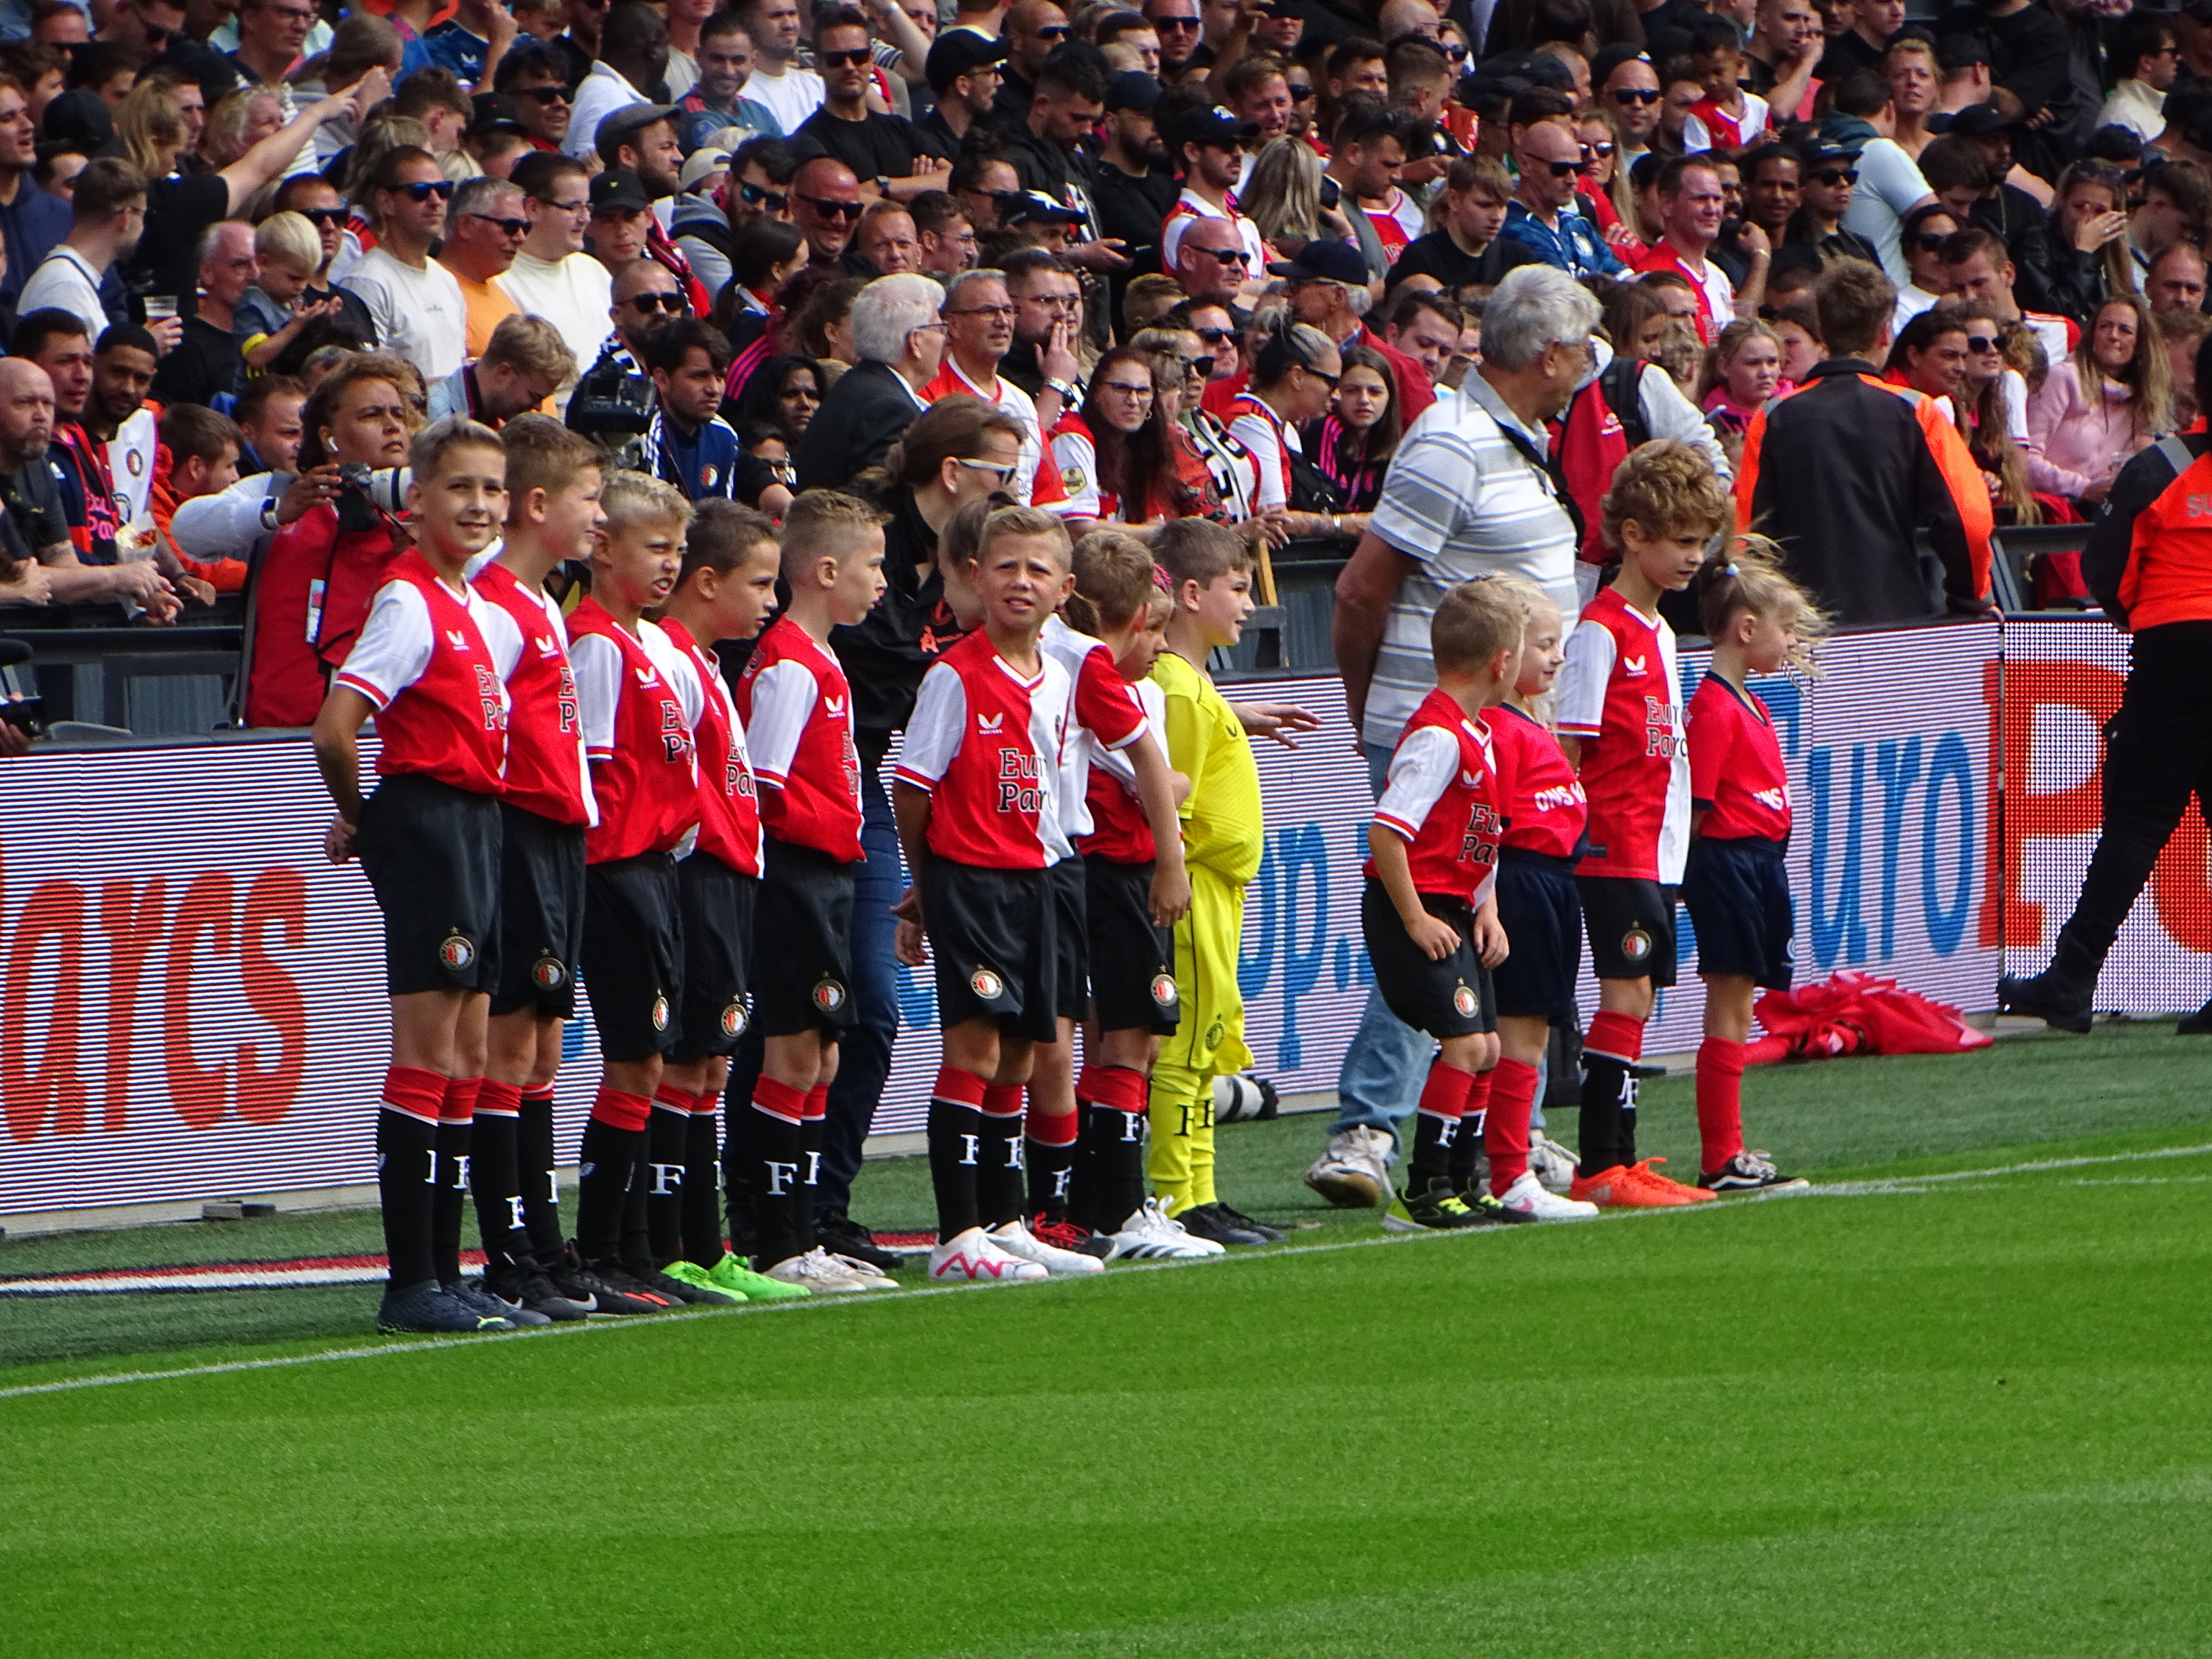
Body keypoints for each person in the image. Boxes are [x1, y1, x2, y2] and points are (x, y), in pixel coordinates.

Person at [1310, 266, 1593, 1207]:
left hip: (1504, 738)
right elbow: (1361, 587)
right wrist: (1373, 714)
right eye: (1581, 349)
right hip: (1435, 727)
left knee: (1487, 937)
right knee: (1429, 929)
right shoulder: (1451, 441)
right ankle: (1367, 1130)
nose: (1590, 366)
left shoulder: (1518, 439)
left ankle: (1503, 1135)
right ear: (1547, 355)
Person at [309, 414, 525, 1335]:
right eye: (460, 488)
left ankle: (450, 1270)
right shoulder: (406, 601)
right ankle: (413, 1280)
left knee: (470, 1054)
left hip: (476, 822)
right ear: (417, 503)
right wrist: (363, 817)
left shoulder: (475, 607)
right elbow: (336, 724)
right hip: (430, 822)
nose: (478, 505)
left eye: (491, 489)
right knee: (429, 1052)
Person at [892, 503, 1090, 1281]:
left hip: (1036, 880)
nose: (1021, 581)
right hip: (973, 882)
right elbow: (914, 788)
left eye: (1039, 569)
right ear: (975, 576)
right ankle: (956, 1234)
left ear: (1063, 589)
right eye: (1005, 566)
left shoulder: (1059, 678)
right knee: (975, 1046)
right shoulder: (955, 675)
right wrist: (927, 879)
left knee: (1020, 1051)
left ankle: (1006, 1220)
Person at [2001, 335, 2212, 1033]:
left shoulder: (2162, 467)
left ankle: (2072, 977)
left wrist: (2146, 620)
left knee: (2136, 819)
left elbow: (2106, 572)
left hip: (2176, 646)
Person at [561, 469, 728, 1310]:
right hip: (616, 869)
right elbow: (586, 768)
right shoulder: (592, 643)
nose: (670, 566)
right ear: (603, 547)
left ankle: (628, 1249)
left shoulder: (642, 644)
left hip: (655, 866)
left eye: (677, 550)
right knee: (634, 1058)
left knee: (650, 1060)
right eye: (655, 548)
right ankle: (602, 1249)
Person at [643, 501, 808, 1304]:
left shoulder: (702, 659)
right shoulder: (670, 655)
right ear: (706, 583)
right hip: (696, 874)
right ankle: (668, 1242)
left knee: (710, 1063)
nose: (771, 601)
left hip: (731, 874)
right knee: (684, 1061)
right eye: (760, 583)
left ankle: (705, 1247)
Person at [1553, 441, 1724, 1209]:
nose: (1694, 557)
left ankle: (1620, 1160)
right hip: (1611, 843)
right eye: (1681, 541)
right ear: (1632, 537)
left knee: (1641, 999)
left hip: (1655, 846)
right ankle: (1603, 1165)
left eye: (1700, 541)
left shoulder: (1656, 631)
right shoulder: (1603, 630)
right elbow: (1567, 747)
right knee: (1624, 995)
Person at [732, 489, 895, 1293]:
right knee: (794, 1056)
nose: (883, 585)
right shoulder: (791, 663)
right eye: (872, 567)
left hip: (826, 875)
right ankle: (777, 1239)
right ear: (827, 570)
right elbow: (758, 784)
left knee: (823, 1058)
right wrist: (824, 830)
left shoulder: (818, 656)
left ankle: (801, 1231)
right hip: (794, 877)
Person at [1060, 531, 1217, 1259]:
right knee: (1129, 1035)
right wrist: (1171, 857)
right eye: (1149, 628)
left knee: (1130, 1039)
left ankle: (1104, 1205)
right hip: (1114, 870)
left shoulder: (1121, 681)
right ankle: (1120, 1212)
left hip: (1119, 871)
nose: (1158, 643)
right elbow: (1151, 775)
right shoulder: (1094, 676)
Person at [1359, 577, 1527, 1232]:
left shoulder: (1478, 733)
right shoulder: (1439, 737)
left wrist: (1486, 909)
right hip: (1418, 906)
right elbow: (1387, 832)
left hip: (1457, 907)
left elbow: (1480, 840)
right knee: (1462, 1045)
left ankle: (1462, 1180)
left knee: (1485, 1046)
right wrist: (1414, 918)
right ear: (1502, 663)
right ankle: (1424, 1189)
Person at [1143, 516, 1280, 1243]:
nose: (1250, 603)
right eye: (1238, 588)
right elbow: (1172, 795)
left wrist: (1240, 716)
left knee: (1205, 1047)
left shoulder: (1193, 683)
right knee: (1185, 1048)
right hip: (1192, 890)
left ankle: (1202, 1191)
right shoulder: (1175, 685)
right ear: (1190, 594)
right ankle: (1176, 1198)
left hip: (1217, 892)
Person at [1736, 259, 1991, 625]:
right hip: (1896, 619)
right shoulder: (1917, 411)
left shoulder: (1773, 416)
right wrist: (1970, 598)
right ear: (1885, 333)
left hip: (1800, 628)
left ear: (1821, 330)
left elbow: (1748, 537)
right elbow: (1970, 520)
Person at [1684, 537, 1818, 1194]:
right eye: (1785, 629)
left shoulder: (1751, 703)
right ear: (1745, 629)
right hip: (1729, 863)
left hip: (1757, 863)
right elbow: (1699, 808)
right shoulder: (1712, 707)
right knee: (1730, 1008)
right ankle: (1721, 1154)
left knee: (1741, 1005)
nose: (1792, 642)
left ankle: (1728, 1149)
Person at [1474, 584, 1600, 1221]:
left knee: (1532, 1032)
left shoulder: (1531, 721)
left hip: (1553, 884)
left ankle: (1504, 1165)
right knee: (1517, 1037)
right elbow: (1488, 824)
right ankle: (1507, 1173)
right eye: (1544, 644)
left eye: (1560, 644)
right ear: (1503, 653)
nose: (1557, 659)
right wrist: (1490, 902)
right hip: (1521, 883)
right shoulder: (1497, 727)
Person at [243, 355, 419, 726]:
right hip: (278, 742)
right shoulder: (285, 490)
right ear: (329, 436)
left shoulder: (428, 511)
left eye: (398, 415)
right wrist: (278, 512)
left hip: (387, 735)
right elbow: (188, 529)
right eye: (373, 415)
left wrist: (430, 560)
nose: (392, 427)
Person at [793, 271, 945, 488]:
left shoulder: (857, 386)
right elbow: (880, 502)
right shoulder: (890, 410)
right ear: (915, 342)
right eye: (939, 328)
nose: (944, 339)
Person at [339, 146, 467, 385]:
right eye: (419, 192)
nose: (435, 201)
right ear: (386, 202)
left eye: (443, 190)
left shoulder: (447, 280)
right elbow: (367, 379)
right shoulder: (366, 282)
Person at [2028, 293, 2172, 503]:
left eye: (2125, 330)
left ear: (2140, 345)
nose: (2113, 335)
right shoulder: (2064, 377)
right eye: (2105, 326)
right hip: (2048, 509)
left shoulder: (2141, 402)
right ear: (2093, 334)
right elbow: (2025, 461)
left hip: (2099, 516)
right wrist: (2083, 488)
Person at [495, 151, 613, 398]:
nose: (586, 219)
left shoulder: (593, 270)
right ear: (533, 208)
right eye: (573, 207)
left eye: (588, 207)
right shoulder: (499, 278)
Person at [797, 6, 943, 201]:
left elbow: (953, 178)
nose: (849, 67)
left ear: (871, 60)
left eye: (859, 57)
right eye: (836, 59)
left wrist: (882, 187)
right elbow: (844, 200)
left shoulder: (898, 128)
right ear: (818, 65)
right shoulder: (809, 139)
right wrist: (919, 189)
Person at [16, 153, 139, 341]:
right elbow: (70, 368)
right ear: (126, 218)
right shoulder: (66, 287)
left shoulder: (72, 279)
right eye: (144, 213)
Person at [1388, 153, 1536, 294]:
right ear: (1454, 200)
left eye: (1503, 206)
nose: (1497, 216)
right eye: (1485, 205)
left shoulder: (1519, 259)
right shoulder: (1420, 257)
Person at [641, 316, 751, 502]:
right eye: (699, 376)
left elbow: (723, 516)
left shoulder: (725, 435)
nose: (714, 389)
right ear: (662, 379)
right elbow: (652, 522)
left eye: (720, 377)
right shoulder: (648, 434)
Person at [1499, 113, 1620, 280]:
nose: (1572, 180)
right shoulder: (1510, 227)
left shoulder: (1578, 223)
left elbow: (1626, 278)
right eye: (1560, 169)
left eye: (1577, 170)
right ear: (1525, 165)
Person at [426, 310, 575, 426]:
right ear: (504, 373)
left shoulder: (488, 417)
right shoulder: (434, 420)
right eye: (535, 397)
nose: (539, 408)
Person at [564, 2, 666, 162]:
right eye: (666, 46)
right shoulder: (607, 95)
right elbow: (591, 171)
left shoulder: (608, 89)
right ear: (652, 49)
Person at [435, 173, 526, 355]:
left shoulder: (500, 291)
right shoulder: (436, 290)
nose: (520, 238)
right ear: (466, 225)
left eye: (526, 228)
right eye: (510, 226)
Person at [1305, 344, 1397, 514]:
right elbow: (1323, 506)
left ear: (1389, 398)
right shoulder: (1326, 428)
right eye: (1352, 391)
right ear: (1336, 393)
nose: (1364, 400)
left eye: (1375, 392)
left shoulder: (1386, 443)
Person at [677, 13, 781, 149]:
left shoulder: (759, 112)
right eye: (717, 59)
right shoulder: (687, 114)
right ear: (699, 57)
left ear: (753, 61)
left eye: (738, 60)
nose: (728, 71)